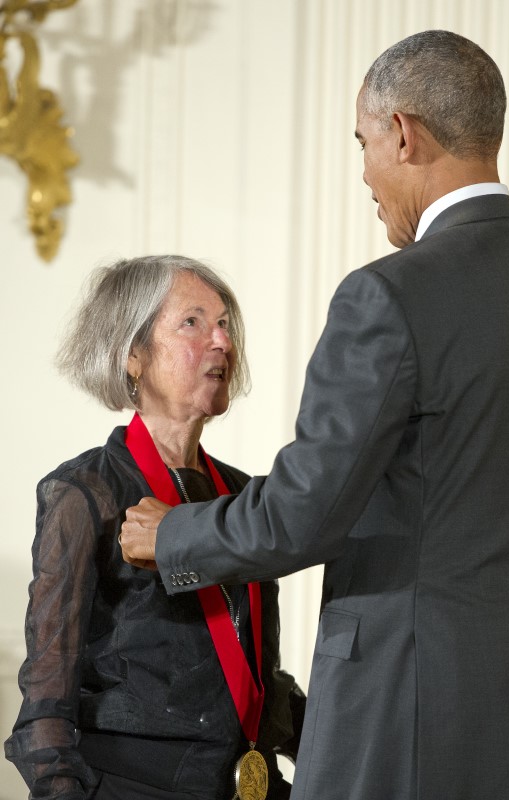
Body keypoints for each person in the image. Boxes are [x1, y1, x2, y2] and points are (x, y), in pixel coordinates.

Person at [119, 31, 509, 800]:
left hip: (405, 714)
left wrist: (175, 534)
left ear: (402, 133)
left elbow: (304, 512)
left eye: (362, 143)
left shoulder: (385, 295)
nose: (364, 172)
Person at [5, 255, 304, 800]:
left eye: (224, 324)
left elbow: (249, 677)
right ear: (134, 355)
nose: (222, 341)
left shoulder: (245, 495)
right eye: (193, 322)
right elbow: (46, 708)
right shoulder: (85, 493)